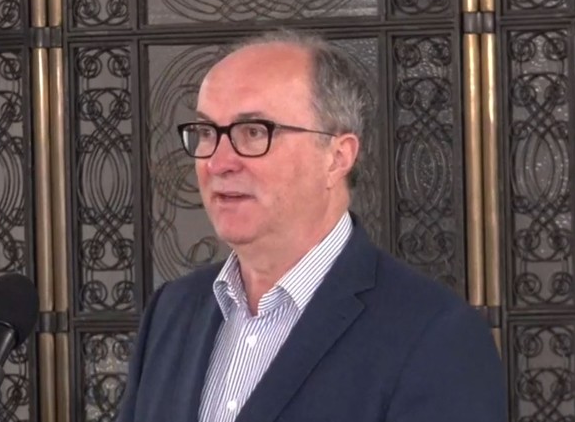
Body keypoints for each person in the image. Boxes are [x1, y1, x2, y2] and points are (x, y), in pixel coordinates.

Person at [117, 28, 506, 422]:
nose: (218, 163)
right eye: (206, 133)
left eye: (253, 133)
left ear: (337, 157)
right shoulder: (171, 312)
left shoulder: (434, 336)